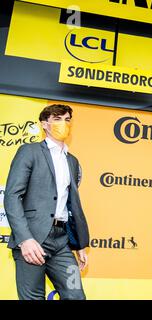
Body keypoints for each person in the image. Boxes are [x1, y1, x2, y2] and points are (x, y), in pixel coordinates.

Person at [4, 104, 90, 300]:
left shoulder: (72, 161)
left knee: (76, 296)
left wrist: (79, 244)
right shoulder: (29, 151)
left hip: (62, 242)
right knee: (33, 297)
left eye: (67, 120)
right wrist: (25, 239)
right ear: (45, 124)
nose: (64, 124)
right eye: (57, 119)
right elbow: (12, 196)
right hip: (32, 238)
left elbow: (71, 205)